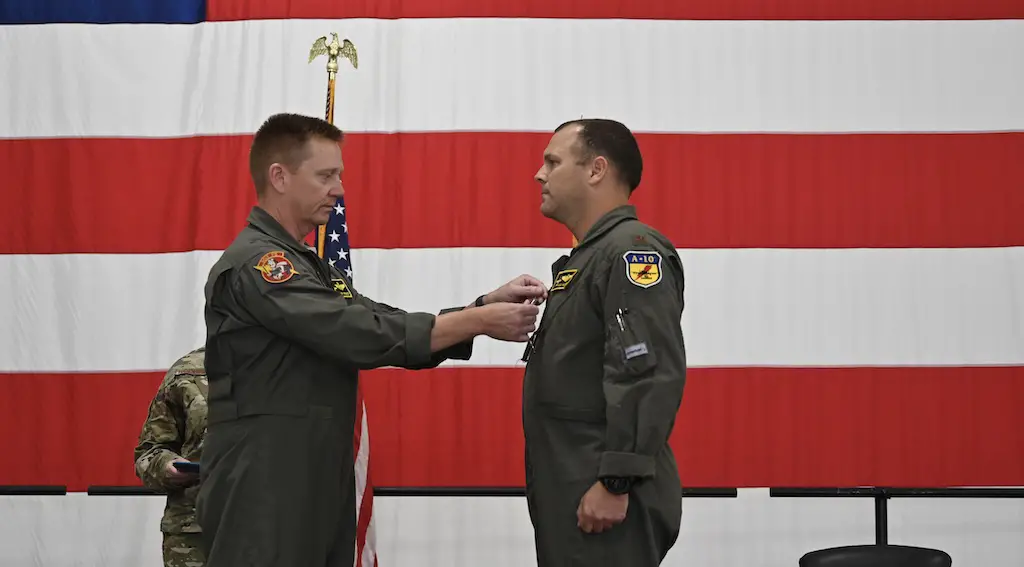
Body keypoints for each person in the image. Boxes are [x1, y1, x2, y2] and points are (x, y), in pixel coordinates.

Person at [196, 112, 547, 567]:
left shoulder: (306, 263)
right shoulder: (260, 265)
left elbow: (371, 315)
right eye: (326, 175)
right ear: (279, 177)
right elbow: (353, 333)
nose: (339, 189)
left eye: (338, 175)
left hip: (304, 474)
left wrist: (477, 306)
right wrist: (477, 322)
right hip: (266, 480)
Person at [521, 118, 688, 566]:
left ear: (596, 169)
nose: (540, 174)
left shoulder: (631, 250)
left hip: (606, 493)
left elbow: (645, 370)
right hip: (573, 482)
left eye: (552, 162)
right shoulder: (592, 257)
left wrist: (617, 481)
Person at [133, 346, 208, 567]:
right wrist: (166, 466)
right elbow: (150, 452)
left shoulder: (300, 367)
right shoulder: (189, 371)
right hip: (197, 537)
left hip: (283, 531)